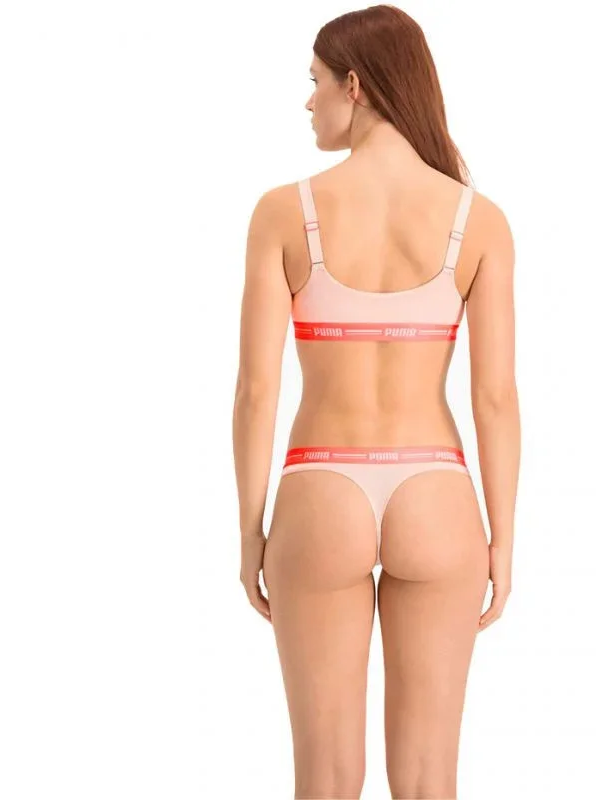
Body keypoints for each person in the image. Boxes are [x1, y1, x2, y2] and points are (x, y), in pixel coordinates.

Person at [232, 5, 519, 798]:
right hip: (437, 493)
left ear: (354, 85)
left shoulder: (283, 213)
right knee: (428, 781)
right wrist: (502, 538)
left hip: (320, 489)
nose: (308, 101)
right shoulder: (479, 221)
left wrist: (250, 532)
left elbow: (257, 392)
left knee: (325, 780)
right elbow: (495, 398)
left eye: (316, 81)